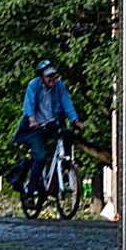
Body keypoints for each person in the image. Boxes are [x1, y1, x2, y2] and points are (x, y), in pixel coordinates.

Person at [18, 59, 77, 201]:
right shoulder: (34, 86)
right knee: (41, 157)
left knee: (67, 136)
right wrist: (32, 120)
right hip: (36, 128)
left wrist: (75, 120)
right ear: (42, 77)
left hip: (53, 124)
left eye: (54, 76)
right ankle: (31, 189)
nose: (52, 79)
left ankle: (63, 170)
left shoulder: (60, 86)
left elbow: (67, 103)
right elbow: (29, 104)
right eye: (49, 76)